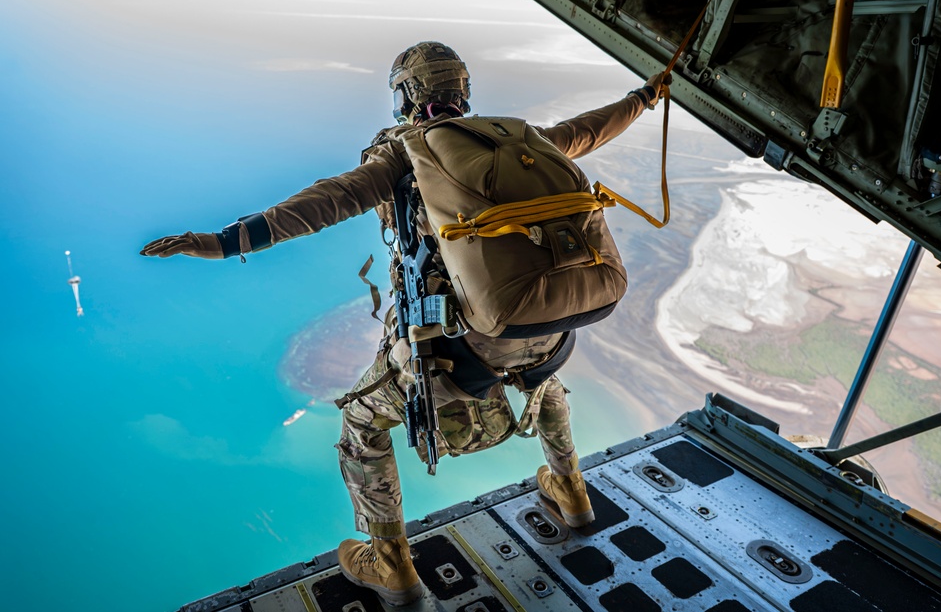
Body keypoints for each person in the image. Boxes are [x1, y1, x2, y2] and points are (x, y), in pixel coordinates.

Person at [141, 40, 665, 606]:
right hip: (552, 330)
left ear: (408, 97)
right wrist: (644, 98)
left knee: (362, 423)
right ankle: (571, 493)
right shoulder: (518, 141)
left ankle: (390, 563)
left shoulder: (406, 154)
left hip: (466, 344)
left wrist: (223, 243)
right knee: (543, 381)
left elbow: (325, 202)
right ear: (461, 92)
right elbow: (589, 129)